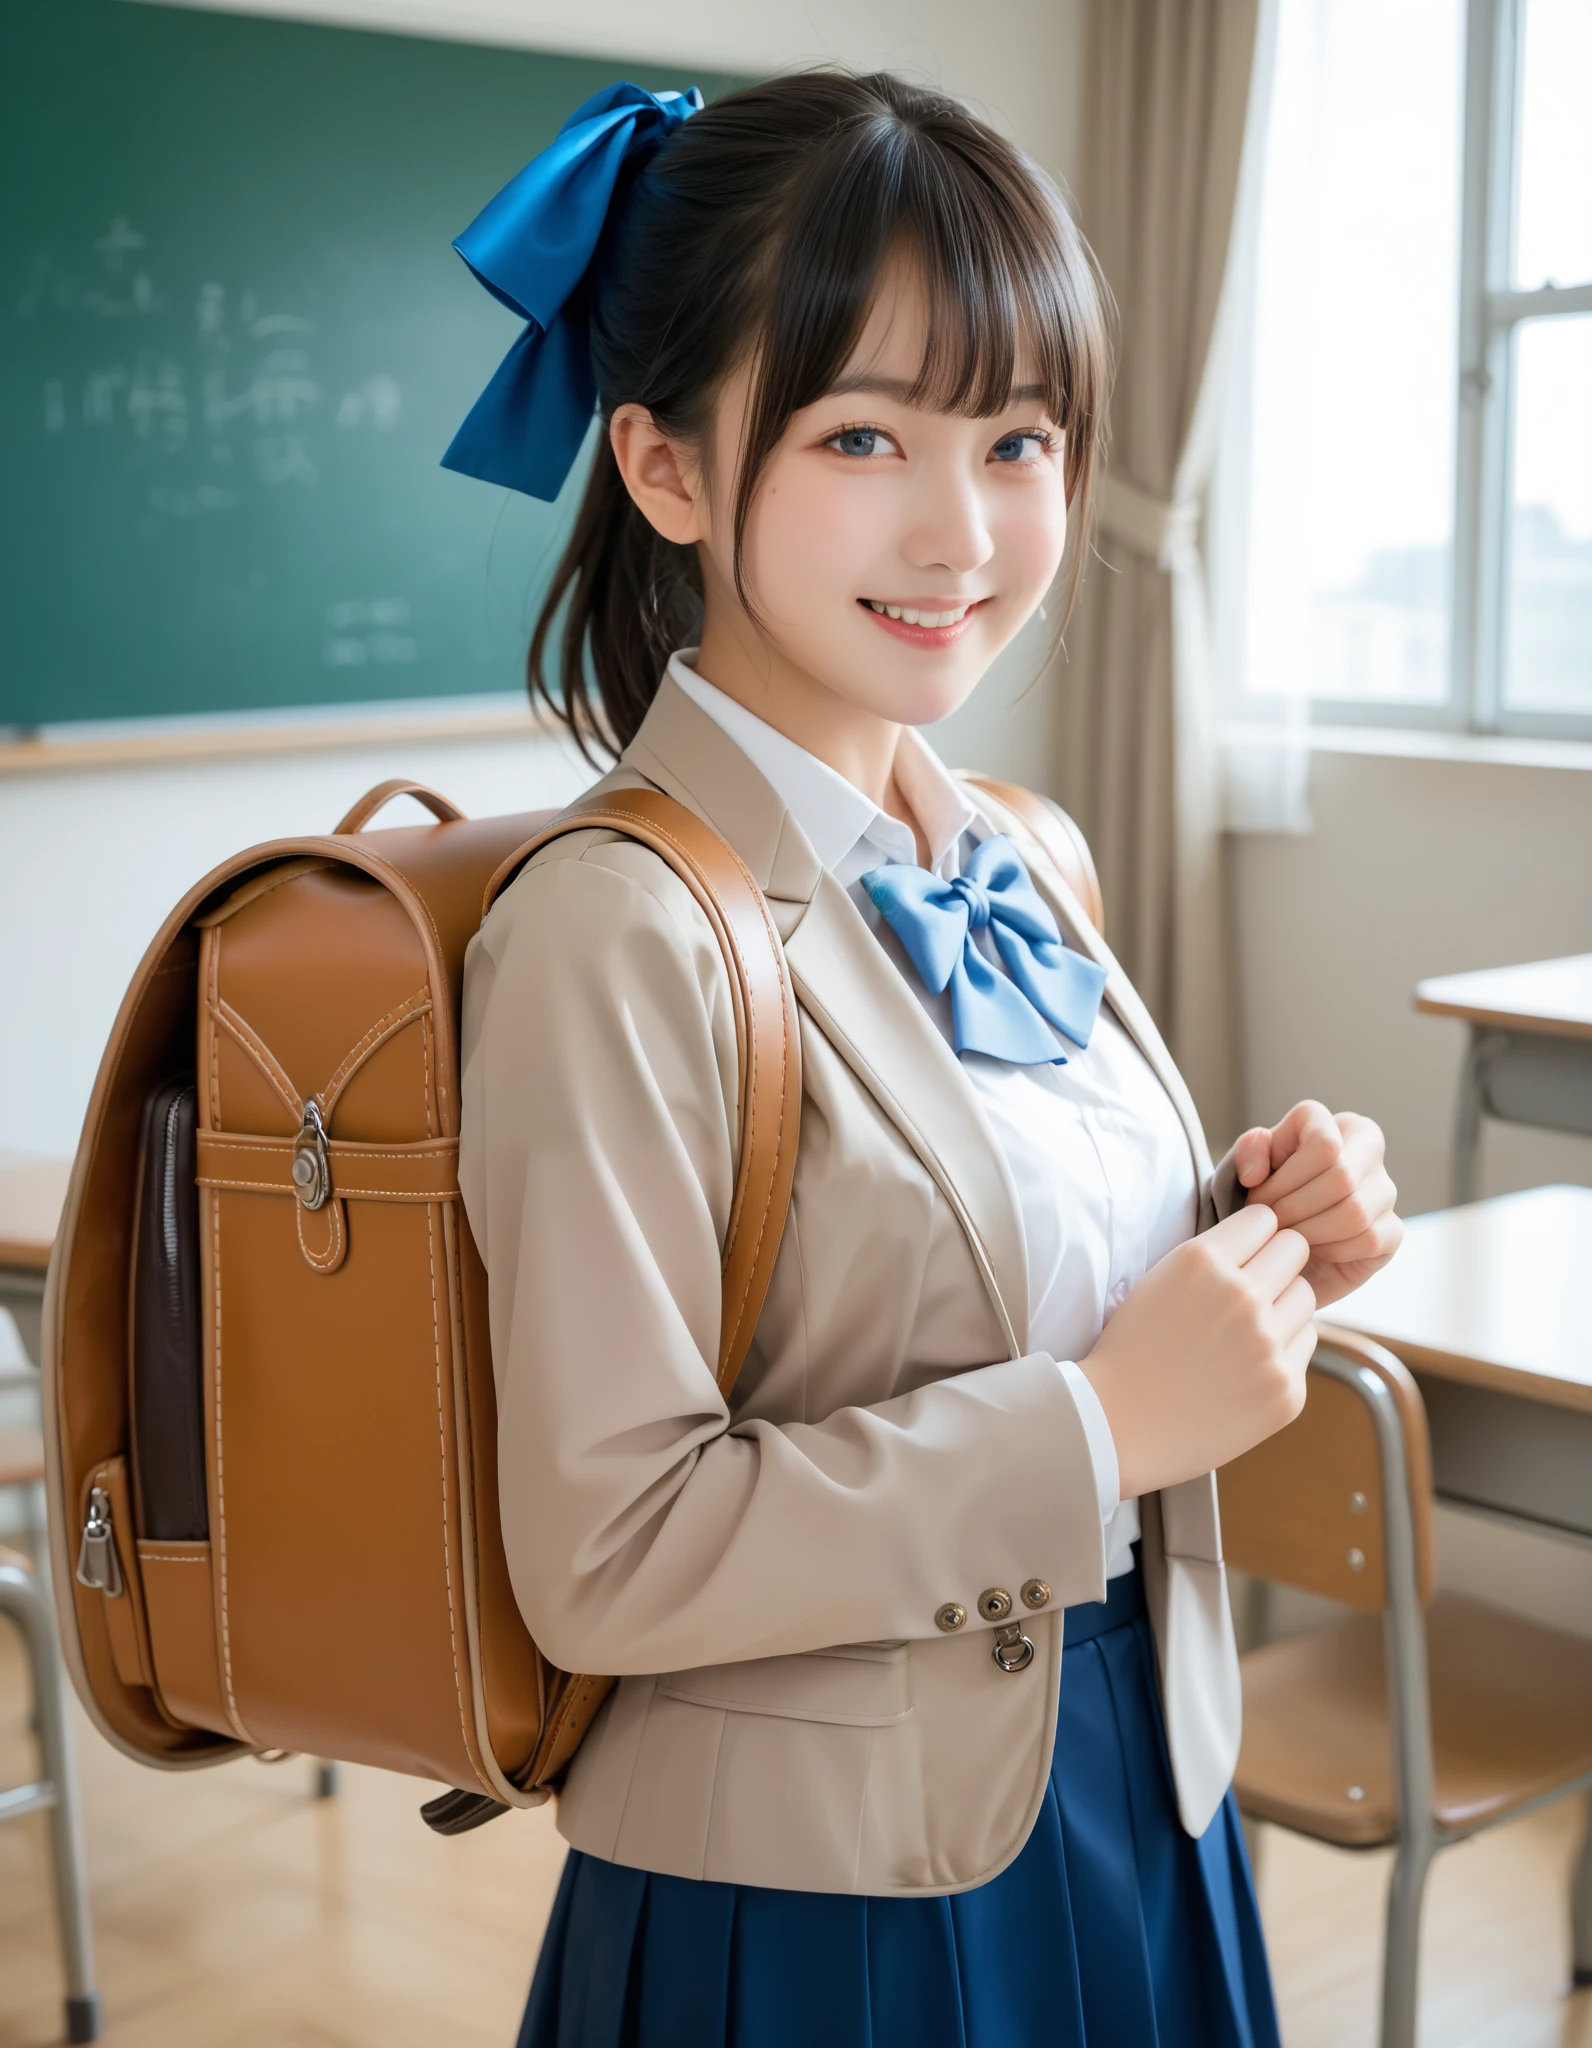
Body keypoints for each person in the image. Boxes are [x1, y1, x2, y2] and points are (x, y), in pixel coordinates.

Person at [449, 72, 1403, 2048]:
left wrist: (1257, 1225)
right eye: (862, 432)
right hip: (820, 1897)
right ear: (667, 467)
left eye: (1019, 437)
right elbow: (605, 1552)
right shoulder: (613, 925)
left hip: (1136, 1784)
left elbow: (955, 1272)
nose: (963, 526)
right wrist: (1101, 1427)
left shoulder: (1024, 849)